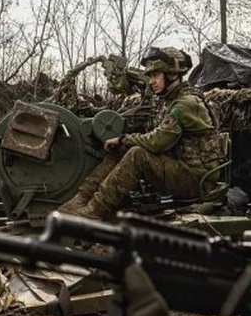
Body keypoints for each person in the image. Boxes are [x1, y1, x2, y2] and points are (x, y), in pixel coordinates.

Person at [58, 46, 228, 220]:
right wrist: (124, 141)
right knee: (122, 149)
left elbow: (157, 142)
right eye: (150, 76)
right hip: (183, 172)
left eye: (156, 75)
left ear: (172, 74)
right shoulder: (171, 101)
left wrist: (125, 139)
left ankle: (95, 210)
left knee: (137, 154)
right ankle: (80, 199)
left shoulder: (185, 103)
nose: (151, 81)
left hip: (197, 181)